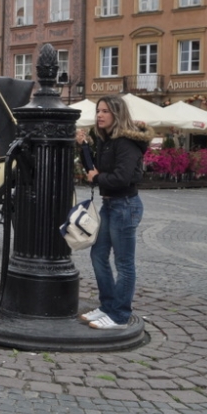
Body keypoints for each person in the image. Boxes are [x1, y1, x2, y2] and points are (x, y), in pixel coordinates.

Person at [75, 96, 154, 330]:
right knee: (98, 255)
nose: (99, 115)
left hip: (125, 205)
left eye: (105, 111)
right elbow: (94, 171)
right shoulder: (107, 141)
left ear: (117, 114)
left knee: (124, 263)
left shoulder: (126, 143)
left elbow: (122, 177)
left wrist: (98, 178)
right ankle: (107, 306)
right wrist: (85, 147)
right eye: (98, 111)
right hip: (110, 205)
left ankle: (119, 315)